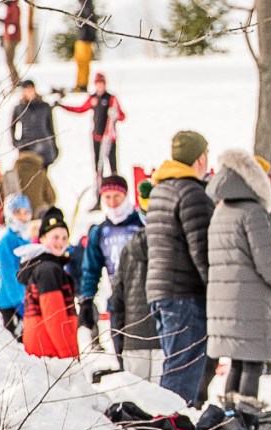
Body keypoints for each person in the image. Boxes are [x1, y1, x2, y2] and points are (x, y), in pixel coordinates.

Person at [206, 150, 271, 412]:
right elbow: (266, 261)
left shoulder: (221, 210)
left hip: (226, 301)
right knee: (253, 361)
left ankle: (230, 415)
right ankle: (245, 417)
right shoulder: (253, 211)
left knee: (237, 360)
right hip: (249, 302)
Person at [145, 130, 215, 406]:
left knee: (175, 365)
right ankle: (173, 428)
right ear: (199, 158)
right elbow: (202, 250)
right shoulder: (192, 193)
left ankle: (173, 423)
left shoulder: (161, 190)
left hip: (161, 290)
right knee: (183, 372)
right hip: (185, 294)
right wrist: (216, 289)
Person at [77, 175, 144, 356]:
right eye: (107, 197)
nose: (112, 202)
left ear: (125, 196)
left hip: (143, 294)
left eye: (117, 196)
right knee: (121, 352)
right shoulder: (100, 231)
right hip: (117, 296)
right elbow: (91, 269)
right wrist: (87, 300)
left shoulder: (140, 224)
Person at [111, 185, 161, 382]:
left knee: (137, 406)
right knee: (168, 406)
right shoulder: (172, 246)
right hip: (164, 341)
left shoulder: (128, 249)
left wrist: (119, 344)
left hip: (133, 340)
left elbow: (117, 301)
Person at [15, 207, 78, 359]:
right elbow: (55, 319)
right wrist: (70, 357)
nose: (60, 242)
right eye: (55, 237)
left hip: (44, 351)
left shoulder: (44, 265)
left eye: (64, 238)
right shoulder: (48, 270)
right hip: (51, 354)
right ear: (42, 238)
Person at [56, 72, 125, 180]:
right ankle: (99, 186)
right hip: (97, 136)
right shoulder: (93, 98)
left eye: (101, 83)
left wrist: (115, 115)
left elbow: (122, 116)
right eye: (98, 83)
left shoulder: (111, 98)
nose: (100, 86)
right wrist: (62, 106)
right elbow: (80, 109)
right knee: (98, 166)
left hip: (108, 137)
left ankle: (115, 183)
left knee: (112, 164)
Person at [0, 194, 33, 338]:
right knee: (15, 342)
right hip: (10, 301)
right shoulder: (6, 240)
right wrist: (19, 303)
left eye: (25, 212)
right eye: (18, 212)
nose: (22, 217)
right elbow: (7, 274)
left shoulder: (26, 237)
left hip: (24, 297)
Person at [0, 150, 57, 224]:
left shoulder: (9, 174)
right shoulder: (41, 174)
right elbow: (52, 197)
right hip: (36, 218)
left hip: (17, 218)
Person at [10, 80, 58, 169]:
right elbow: (12, 127)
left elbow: (50, 127)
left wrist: (54, 145)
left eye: (31, 89)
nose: (29, 92)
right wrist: (16, 142)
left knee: (42, 174)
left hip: (44, 146)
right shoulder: (19, 108)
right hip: (27, 146)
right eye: (27, 90)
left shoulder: (44, 106)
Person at [72, 0, 96, 93]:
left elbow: (90, 26)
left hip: (85, 41)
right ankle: (80, 84)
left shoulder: (87, 8)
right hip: (82, 40)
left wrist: (87, 38)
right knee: (80, 63)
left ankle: (82, 85)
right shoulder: (84, 7)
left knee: (83, 63)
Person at [0, 0, 20, 89]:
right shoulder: (9, 7)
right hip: (8, 37)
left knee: (9, 60)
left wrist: (4, 21)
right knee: (9, 61)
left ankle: (15, 81)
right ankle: (15, 81)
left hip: (12, 38)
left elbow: (14, 23)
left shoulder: (14, 7)